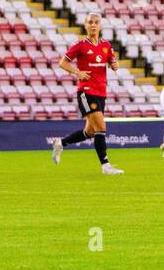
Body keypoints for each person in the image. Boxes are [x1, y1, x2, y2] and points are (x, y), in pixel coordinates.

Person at [51, 12, 123, 175]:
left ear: (100, 25)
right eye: (90, 22)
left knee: (90, 132)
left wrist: (115, 65)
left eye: (96, 22)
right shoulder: (80, 45)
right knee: (101, 127)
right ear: (85, 25)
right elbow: (63, 63)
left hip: (101, 92)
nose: (93, 25)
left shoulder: (106, 45)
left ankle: (60, 143)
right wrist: (77, 73)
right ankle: (105, 166)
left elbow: (112, 61)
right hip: (86, 91)